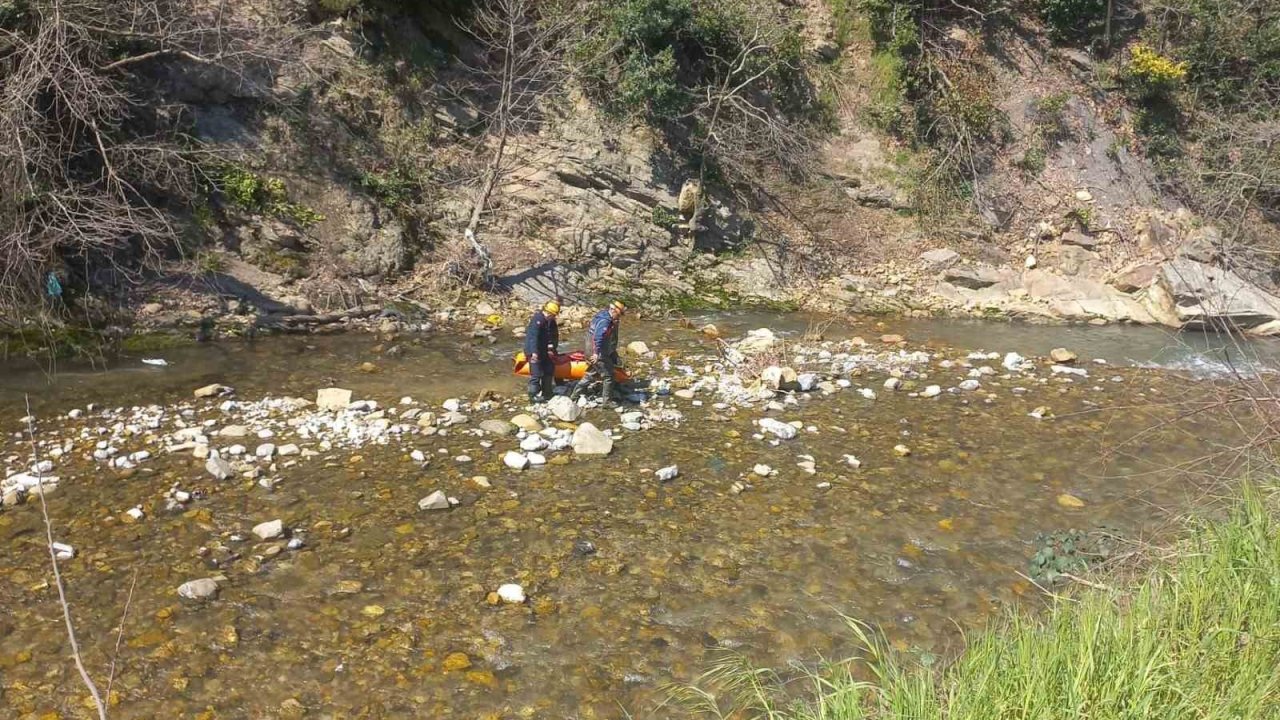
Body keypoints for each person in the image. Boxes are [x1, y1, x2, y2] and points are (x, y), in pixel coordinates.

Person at [585, 300, 625, 405]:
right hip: (596, 351)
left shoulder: (602, 315)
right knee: (609, 375)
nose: (619, 317)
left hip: (593, 349)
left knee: (592, 372)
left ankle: (574, 395)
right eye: (619, 314)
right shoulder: (605, 321)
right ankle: (607, 402)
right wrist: (596, 353)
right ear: (614, 311)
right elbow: (598, 338)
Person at [524, 300, 561, 403]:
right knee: (536, 374)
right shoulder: (538, 320)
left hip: (544, 350)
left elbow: (553, 336)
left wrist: (552, 348)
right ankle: (533, 396)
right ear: (549, 313)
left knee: (549, 369)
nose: (554, 317)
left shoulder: (549, 321)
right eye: (553, 315)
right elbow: (533, 337)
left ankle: (547, 393)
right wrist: (534, 352)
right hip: (534, 351)